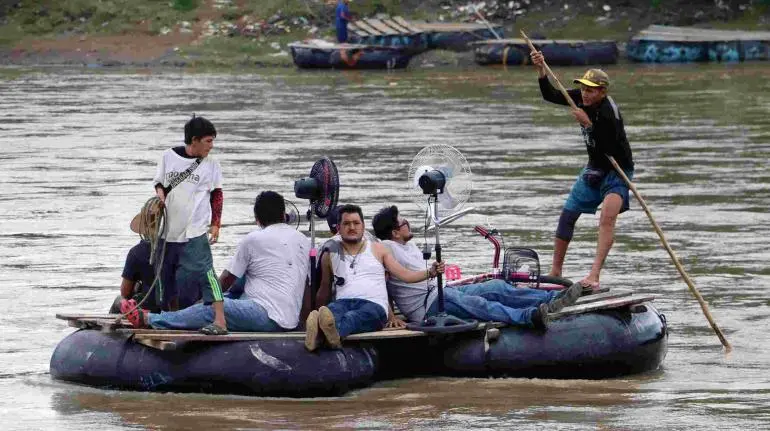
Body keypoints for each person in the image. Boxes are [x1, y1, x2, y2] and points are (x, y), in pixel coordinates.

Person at [121, 191, 311, 333]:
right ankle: (182, 315)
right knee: (228, 297)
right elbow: (307, 286)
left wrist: (204, 301)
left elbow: (226, 280)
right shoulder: (303, 240)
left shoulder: (253, 239)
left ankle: (149, 319)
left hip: (267, 315)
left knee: (216, 307)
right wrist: (302, 323)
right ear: (283, 213)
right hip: (289, 316)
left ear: (257, 219)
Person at [371, 205, 583, 329]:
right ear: (394, 233)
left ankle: (552, 300)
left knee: (497, 287)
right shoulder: (385, 247)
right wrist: (390, 315)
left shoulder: (408, 244)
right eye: (403, 222)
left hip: (443, 292)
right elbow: (381, 281)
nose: (407, 222)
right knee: (479, 304)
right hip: (428, 305)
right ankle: (529, 317)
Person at [531, 50, 635, 290]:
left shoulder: (610, 114)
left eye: (590, 90)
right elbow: (551, 95)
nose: (585, 94)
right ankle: (555, 271)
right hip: (594, 168)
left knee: (606, 219)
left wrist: (588, 124)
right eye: (584, 89)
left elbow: (609, 147)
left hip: (617, 171)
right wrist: (541, 69)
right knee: (568, 215)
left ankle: (594, 276)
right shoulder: (581, 97)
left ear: (602, 92)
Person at [304, 204, 443, 351]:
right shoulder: (330, 254)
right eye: (346, 224)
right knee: (332, 311)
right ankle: (323, 331)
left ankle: (325, 335)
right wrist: (317, 310)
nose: (352, 227)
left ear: (363, 226)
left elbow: (405, 275)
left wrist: (430, 272)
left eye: (356, 223)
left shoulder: (378, 249)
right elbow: (324, 289)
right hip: (343, 302)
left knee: (353, 317)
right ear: (339, 228)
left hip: (373, 305)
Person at [152, 115, 226, 334]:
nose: (211, 146)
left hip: (195, 231)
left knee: (207, 273)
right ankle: (167, 318)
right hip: (168, 232)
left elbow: (217, 194)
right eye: (208, 141)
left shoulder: (211, 164)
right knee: (164, 276)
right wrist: (160, 197)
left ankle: (220, 320)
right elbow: (159, 184)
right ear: (194, 140)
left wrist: (216, 224)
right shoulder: (168, 156)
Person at [108, 201, 162, 314]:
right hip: (178, 306)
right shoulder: (180, 247)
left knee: (119, 300)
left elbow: (125, 292)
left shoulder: (136, 252)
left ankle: (107, 329)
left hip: (149, 308)